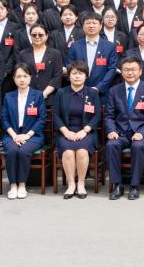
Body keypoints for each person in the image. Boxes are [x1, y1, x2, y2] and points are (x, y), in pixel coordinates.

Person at [104, 58, 144, 201]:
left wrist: (142, 133)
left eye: (133, 70)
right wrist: (111, 130)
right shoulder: (114, 91)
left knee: (138, 146)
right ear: (122, 72)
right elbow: (109, 116)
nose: (130, 73)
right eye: (126, 70)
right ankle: (117, 185)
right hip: (121, 133)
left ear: (140, 71)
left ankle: (134, 186)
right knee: (111, 145)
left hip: (141, 133)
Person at [53, 60, 101, 199]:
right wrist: (65, 132)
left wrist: (85, 130)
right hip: (66, 131)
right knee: (68, 152)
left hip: (86, 131)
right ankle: (71, 184)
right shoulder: (61, 93)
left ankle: (81, 183)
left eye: (81, 73)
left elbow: (97, 115)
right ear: (69, 76)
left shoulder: (92, 93)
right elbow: (56, 115)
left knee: (81, 151)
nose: (77, 76)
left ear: (86, 76)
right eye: (74, 73)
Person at [1, 63, 46, 200]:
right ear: (14, 79)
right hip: (12, 135)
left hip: (33, 135)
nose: (22, 79)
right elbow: (4, 119)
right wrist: (14, 136)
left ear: (30, 77)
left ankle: (22, 184)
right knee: (12, 150)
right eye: (18, 76)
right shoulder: (8, 96)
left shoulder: (38, 95)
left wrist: (27, 135)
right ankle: (13, 185)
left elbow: (41, 119)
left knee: (23, 151)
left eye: (25, 76)